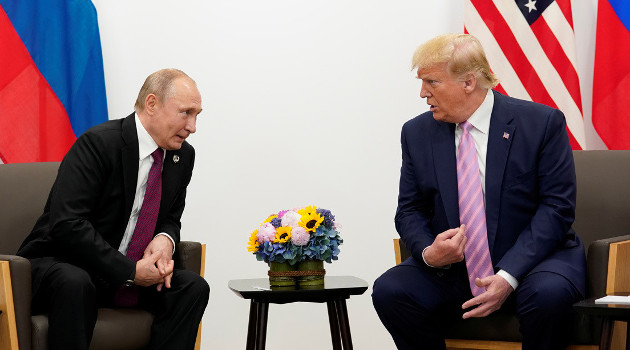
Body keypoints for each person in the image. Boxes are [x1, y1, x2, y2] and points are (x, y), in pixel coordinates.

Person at [372, 34, 585, 350]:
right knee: (390, 290)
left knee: (548, 296)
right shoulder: (417, 133)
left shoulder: (540, 123)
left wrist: (508, 276)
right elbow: (409, 210)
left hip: (533, 263)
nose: (422, 93)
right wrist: (429, 253)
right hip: (454, 271)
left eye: (431, 82)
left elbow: (556, 208)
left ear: (468, 82)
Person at [17, 68, 209, 349]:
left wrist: (165, 239)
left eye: (197, 115)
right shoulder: (99, 143)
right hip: (62, 265)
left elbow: (171, 216)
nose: (193, 126)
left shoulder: (183, 156)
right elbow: (67, 224)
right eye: (185, 113)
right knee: (75, 281)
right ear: (152, 104)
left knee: (192, 287)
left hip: (119, 277)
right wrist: (129, 271)